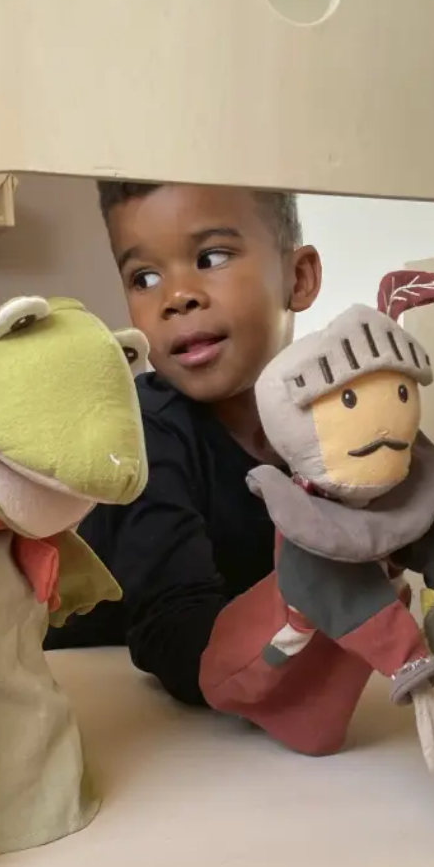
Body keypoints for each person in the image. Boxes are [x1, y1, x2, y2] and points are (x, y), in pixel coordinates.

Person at [43, 182, 323, 707]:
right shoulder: (143, 430)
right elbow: (181, 639)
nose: (176, 297)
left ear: (299, 277)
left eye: (210, 257)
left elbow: (403, 533)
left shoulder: (333, 420)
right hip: (96, 692)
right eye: (143, 278)